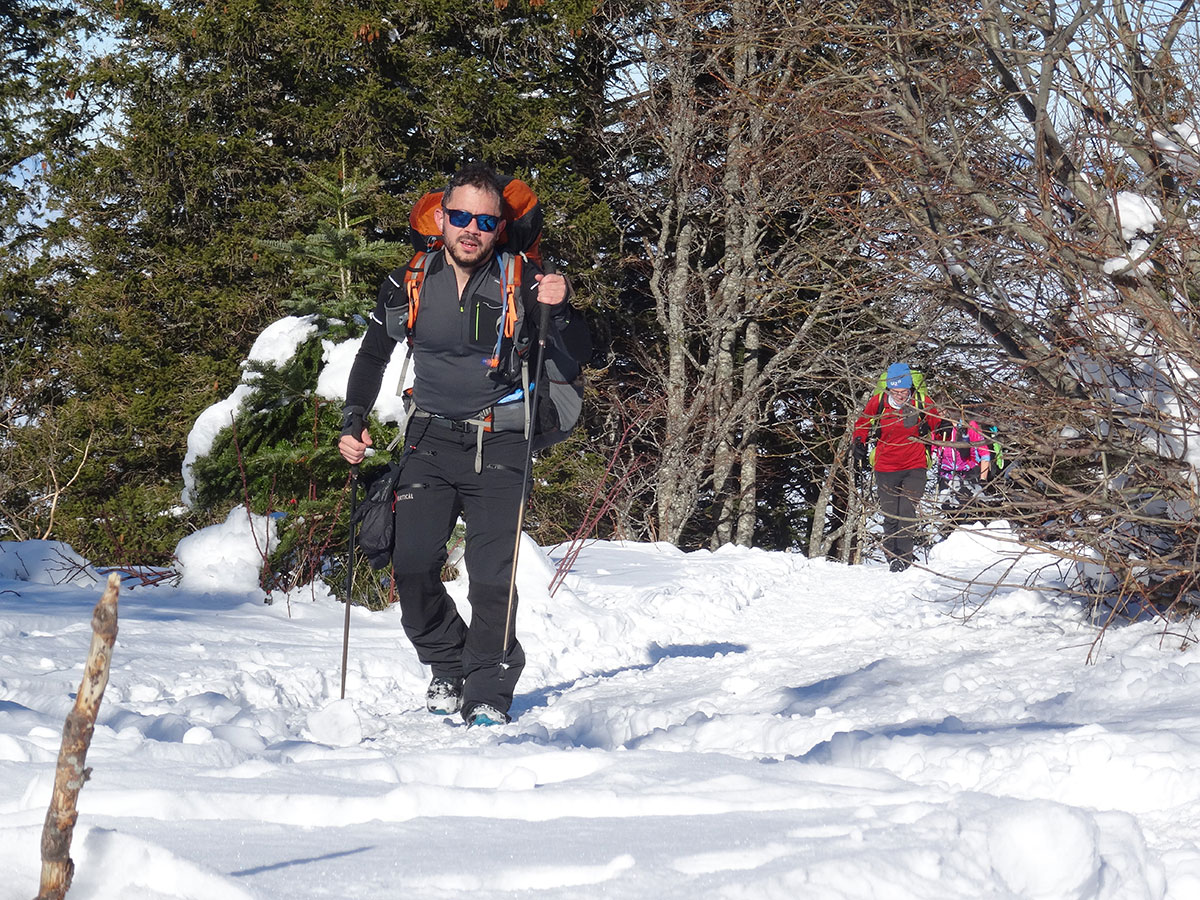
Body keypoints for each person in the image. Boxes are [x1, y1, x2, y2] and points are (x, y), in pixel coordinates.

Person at [338, 162, 591, 726]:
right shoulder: (408, 281)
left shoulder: (523, 279)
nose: (471, 229)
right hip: (428, 438)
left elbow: (579, 352)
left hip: (501, 441)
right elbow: (373, 355)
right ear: (441, 218)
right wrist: (353, 419)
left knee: (492, 577)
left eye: (485, 220)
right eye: (461, 217)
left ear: (499, 226)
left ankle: (487, 690)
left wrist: (563, 308)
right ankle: (447, 664)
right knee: (411, 566)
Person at [852, 362, 941, 572]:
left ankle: (904, 557)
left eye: (904, 391)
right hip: (885, 466)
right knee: (891, 513)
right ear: (888, 389)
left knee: (907, 512)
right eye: (895, 392)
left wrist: (942, 431)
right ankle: (892, 556)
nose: (900, 396)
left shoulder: (921, 401)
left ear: (910, 388)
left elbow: (938, 422)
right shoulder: (878, 402)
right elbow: (863, 423)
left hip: (915, 464)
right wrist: (859, 442)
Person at [934, 413, 991, 496]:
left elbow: (984, 453)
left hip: (967, 474)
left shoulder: (968, 425)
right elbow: (932, 450)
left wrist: (983, 479)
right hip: (945, 476)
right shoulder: (938, 426)